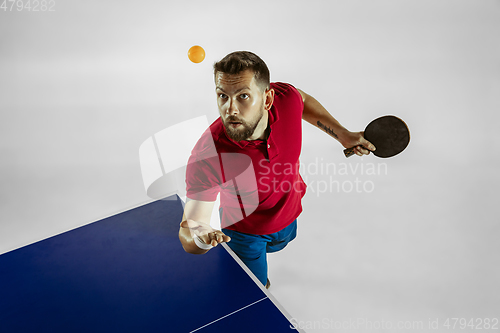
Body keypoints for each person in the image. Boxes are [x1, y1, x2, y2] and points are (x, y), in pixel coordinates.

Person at [178, 51, 374, 288]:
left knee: (281, 243)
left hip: (289, 213)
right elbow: (189, 229)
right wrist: (200, 238)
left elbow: (302, 100)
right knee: (253, 293)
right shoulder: (208, 155)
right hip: (244, 233)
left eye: (243, 96)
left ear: (268, 100)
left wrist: (342, 134)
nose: (230, 109)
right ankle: (257, 284)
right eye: (222, 96)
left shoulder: (286, 100)